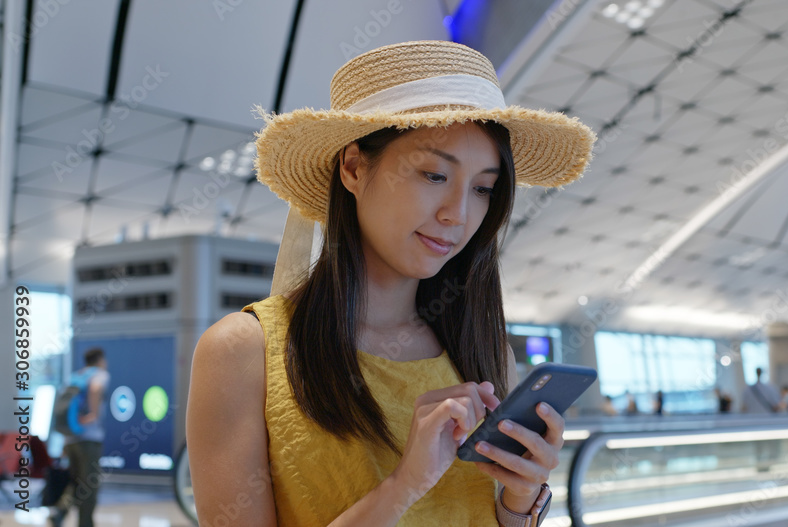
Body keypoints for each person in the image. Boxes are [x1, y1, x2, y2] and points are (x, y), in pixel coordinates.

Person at [185, 40, 596, 526]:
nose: (458, 215)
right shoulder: (244, 353)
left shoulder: (486, 353)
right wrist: (404, 486)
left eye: (483, 188)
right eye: (433, 174)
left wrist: (521, 499)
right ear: (355, 167)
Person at [49, 347, 110, 527]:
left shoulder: (75, 376)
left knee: (75, 482)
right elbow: (96, 388)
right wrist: (93, 413)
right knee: (89, 484)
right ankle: (86, 523)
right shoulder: (99, 375)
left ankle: (60, 512)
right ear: (100, 359)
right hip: (89, 439)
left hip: (70, 438)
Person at [741, 368, 781, 471]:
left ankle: (759, 464)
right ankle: (768, 464)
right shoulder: (770, 388)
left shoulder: (748, 389)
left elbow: (744, 408)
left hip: (754, 422)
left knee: (758, 446)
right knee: (769, 444)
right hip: (768, 422)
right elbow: (776, 406)